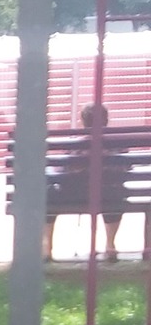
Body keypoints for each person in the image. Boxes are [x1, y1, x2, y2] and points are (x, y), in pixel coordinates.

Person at [44, 102, 129, 263]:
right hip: (108, 197)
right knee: (117, 191)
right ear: (106, 121)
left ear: (83, 122)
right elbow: (126, 169)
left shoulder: (75, 145)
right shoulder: (118, 146)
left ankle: (47, 248)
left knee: (49, 194)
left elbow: (63, 171)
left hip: (75, 196)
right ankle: (110, 245)